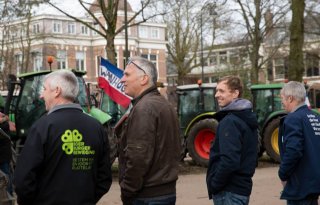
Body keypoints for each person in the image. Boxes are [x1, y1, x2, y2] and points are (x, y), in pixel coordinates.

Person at [14, 70, 112, 205]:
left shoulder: (42, 127)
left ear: (57, 91)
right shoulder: (96, 127)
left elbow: (23, 179)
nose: (42, 95)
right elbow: (104, 177)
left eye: (44, 89)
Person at [115, 56, 181, 205]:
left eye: (127, 75)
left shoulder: (144, 108)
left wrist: (127, 191)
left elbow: (138, 156)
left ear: (144, 79)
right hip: (163, 192)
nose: (121, 80)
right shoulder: (163, 104)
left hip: (147, 196)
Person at [206, 76, 258, 205]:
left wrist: (215, 184)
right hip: (240, 190)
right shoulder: (245, 118)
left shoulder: (230, 121)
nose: (217, 95)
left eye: (222, 91)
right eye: (216, 91)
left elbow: (229, 160)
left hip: (228, 192)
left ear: (235, 93)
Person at [278, 81, 320, 205]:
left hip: (300, 185)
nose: (282, 103)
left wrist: (283, 173)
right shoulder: (315, 117)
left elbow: (293, 150)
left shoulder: (293, 119)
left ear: (290, 98)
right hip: (314, 184)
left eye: (283, 99)